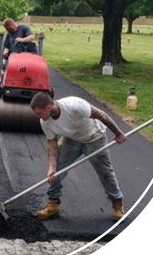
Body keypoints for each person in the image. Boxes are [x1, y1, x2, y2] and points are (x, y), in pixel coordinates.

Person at [30, 91, 127, 221]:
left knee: (105, 173)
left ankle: (117, 204)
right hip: (71, 140)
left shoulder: (74, 105)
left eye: (39, 113)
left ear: (48, 107)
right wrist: (52, 167)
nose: (38, 117)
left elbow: (101, 115)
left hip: (94, 138)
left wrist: (118, 133)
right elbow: (52, 145)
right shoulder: (45, 121)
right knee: (56, 172)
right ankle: (53, 205)